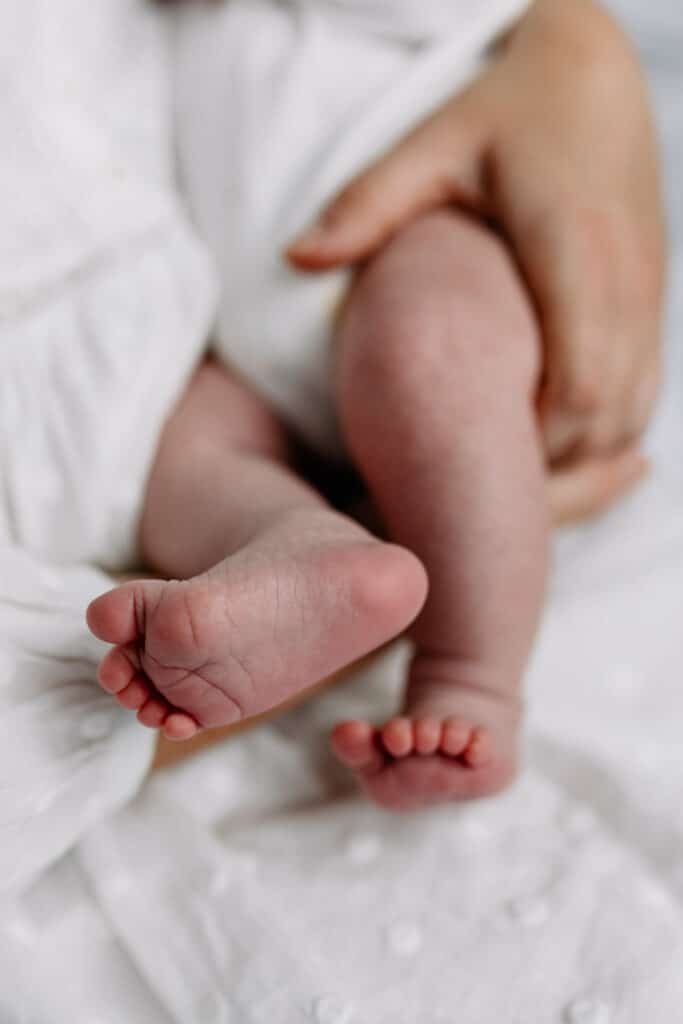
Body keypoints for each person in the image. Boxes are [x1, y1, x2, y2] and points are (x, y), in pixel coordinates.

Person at [86, 0, 664, 810]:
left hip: (419, 232)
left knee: (431, 359)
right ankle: (299, 547)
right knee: (175, 449)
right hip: (239, 333)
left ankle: (469, 677)